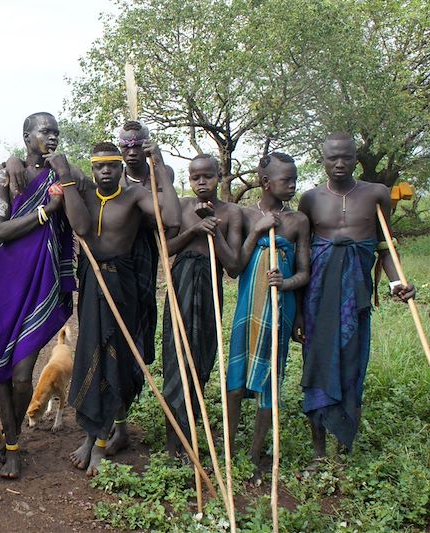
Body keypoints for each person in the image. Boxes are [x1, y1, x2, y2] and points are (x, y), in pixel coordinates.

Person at [62, 141, 181, 476]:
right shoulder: (82, 190)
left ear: (120, 167)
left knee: (115, 357)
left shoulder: (134, 196)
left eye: (112, 166)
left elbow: (171, 217)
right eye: (99, 166)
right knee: (90, 354)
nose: (106, 172)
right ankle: (91, 436)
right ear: (92, 168)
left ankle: (100, 444)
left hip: (121, 286)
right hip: (90, 284)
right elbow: (81, 228)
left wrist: (158, 165)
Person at [297, 133, 415, 457]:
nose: (339, 164)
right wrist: (298, 313)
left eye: (346, 157)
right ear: (322, 158)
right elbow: (302, 254)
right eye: (332, 157)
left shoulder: (377, 194)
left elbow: (386, 247)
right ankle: (319, 452)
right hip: (317, 299)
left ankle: (343, 447)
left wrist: (397, 284)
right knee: (317, 365)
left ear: (355, 158)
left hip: (355, 298)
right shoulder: (310, 199)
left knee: (352, 364)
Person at [0, 112, 76, 479]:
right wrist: (45, 212)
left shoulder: (61, 175)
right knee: (3, 370)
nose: (52, 137)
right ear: (26, 135)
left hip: (43, 282)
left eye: (56, 132)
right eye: (45, 131)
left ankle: (13, 437)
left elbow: (80, 214)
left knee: (22, 374)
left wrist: (65, 177)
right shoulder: (7, 175)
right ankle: (11, 443)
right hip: (7, 280)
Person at [226, 153, 309, 476]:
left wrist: (286, 282)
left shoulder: (299, 221)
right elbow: (234, 267)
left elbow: (305, 273)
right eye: (286, 180)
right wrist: (256, 232)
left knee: (269, 384)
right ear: (265, 183)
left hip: (279, 310)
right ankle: (229, 450)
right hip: (247, 309)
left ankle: (256, 454)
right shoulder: (245, 215)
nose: (292, 185)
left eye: (295, 180)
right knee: (235, 383)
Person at [160, 154, 242, 457]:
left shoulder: (232, 213)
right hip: (180, 289)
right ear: (189, 179)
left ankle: (193, 432)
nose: (201, 182)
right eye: (195, 177)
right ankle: (173, 444)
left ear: (218, 177)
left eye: (207, 176)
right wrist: (194, 230)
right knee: (175, 360)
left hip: (209, 290)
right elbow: (166, 249)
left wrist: (214, 229)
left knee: (201, 361)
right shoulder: (181, 207)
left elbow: (233, 266)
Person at [105, 121, 178, 456]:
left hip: (144, 262)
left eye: (138, 146)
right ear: (120, 148)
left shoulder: (160, 174)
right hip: (116, 264)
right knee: (115, 340)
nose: (132, 152)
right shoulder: (112, 178)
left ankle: (124, 412)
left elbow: (164, 217)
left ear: (146, 146)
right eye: (126, 146)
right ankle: (115, 424)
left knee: (138, 339)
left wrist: (158, 163)